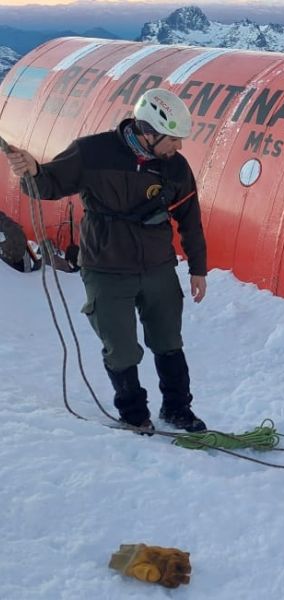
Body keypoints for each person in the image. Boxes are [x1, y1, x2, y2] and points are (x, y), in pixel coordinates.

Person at [5, 88, 208, 433]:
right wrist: (33, 170)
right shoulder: (92, 152)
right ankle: (134, 415)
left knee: (168, 341)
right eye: (173, 139)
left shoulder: (175, 167)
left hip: (157, 266)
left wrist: (198, 269)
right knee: (121, 348)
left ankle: (178, 409)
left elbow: (190, 217)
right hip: (106, 267)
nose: (179, 146)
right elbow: (49, 184)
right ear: (148, 132)